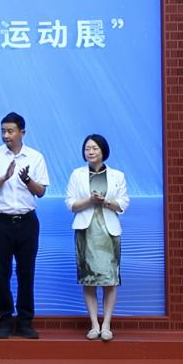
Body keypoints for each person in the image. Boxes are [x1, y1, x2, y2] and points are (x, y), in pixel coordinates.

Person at [0, 112, 49, 339]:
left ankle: (25, 321)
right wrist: (4, 177)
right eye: (3, 131)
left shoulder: (36, 157)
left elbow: (41, 192)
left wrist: (27, 180)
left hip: (27, 222)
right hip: (0, 221)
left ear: (22, 133)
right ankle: (4, 319)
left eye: (10, 131)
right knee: (1, 272)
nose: (6, 135)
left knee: (26, 272)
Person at [64, 134, 129, 342]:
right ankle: (94, 324)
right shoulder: (77, 174)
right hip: (86, 231)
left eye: (94, 148)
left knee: (110, 279)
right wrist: (90, 201)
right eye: (87, 148)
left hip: (108, 232)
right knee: (89, 279)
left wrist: (105, 201)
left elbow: (123, 204)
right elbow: (70, 203)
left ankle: (107, 324)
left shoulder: (117, 175)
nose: (90, 152)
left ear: (103, 151)